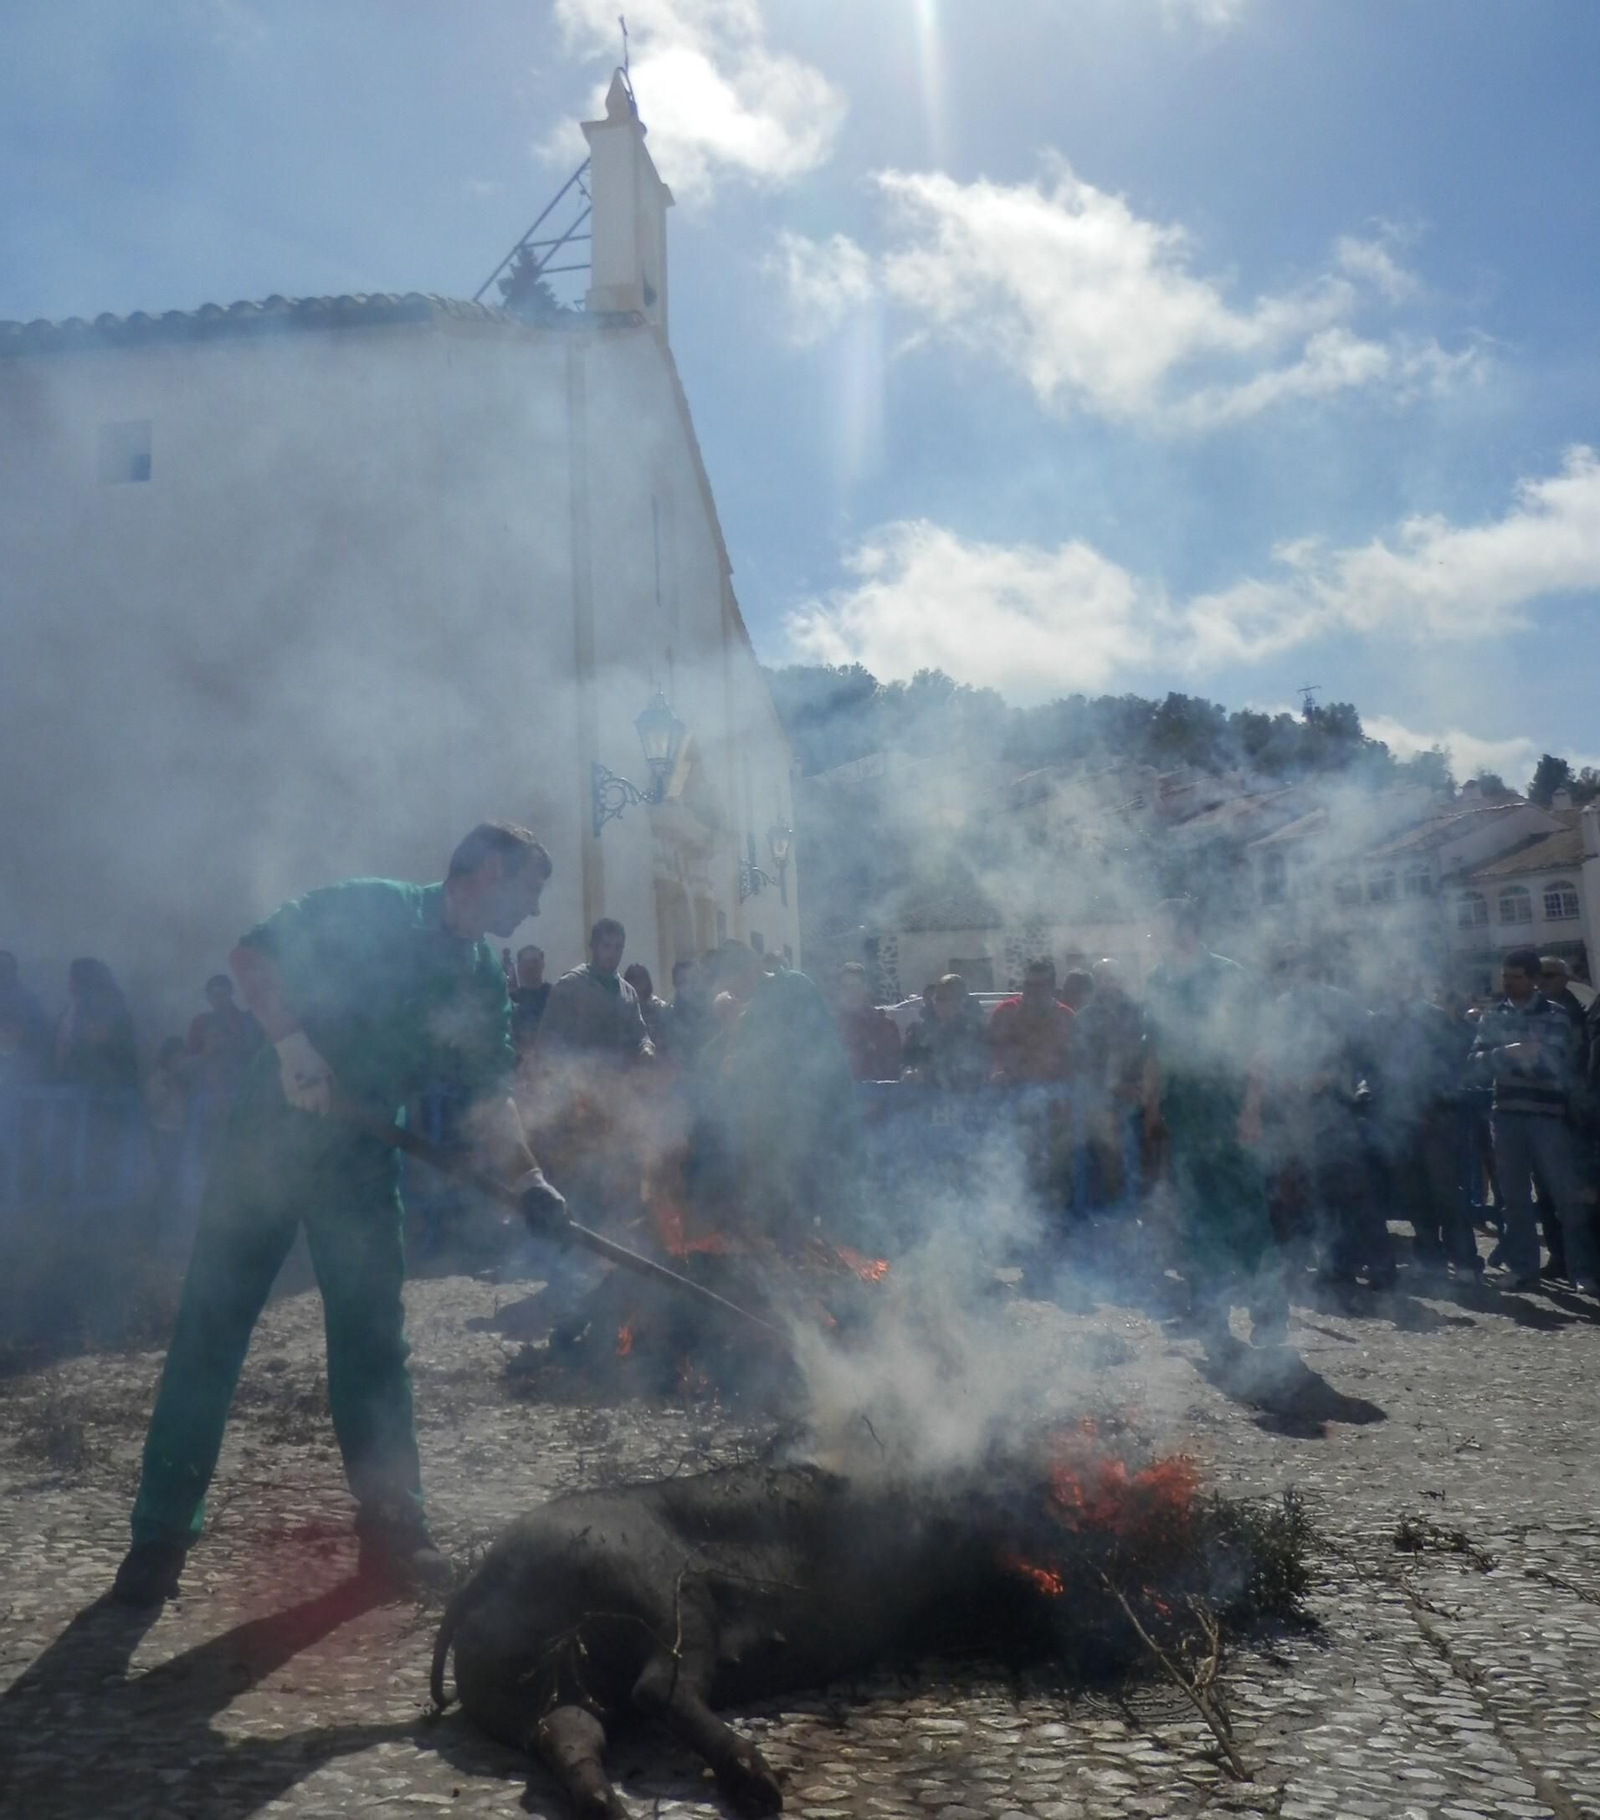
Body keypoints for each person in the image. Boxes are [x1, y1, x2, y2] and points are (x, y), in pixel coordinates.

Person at [111, 822, 565, 1607]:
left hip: (356, 1165)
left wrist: (531, 1182)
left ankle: (393, 1526)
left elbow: (493, 1100)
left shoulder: (483, 976)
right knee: (211, 1328)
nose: (532, 911)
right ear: (491, 871)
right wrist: (291, 1046)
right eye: (529, 890)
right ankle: (158, 1533)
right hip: (269, 1142)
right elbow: (253, 955)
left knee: (371, 1340)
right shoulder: (374, 907)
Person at [1142, 897, 1287, 1349]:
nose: (1157, 938)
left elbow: (1256, 1050)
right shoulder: (1160, 980)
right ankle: (1210, 1314)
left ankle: (1269, 1319)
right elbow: (1157, 1052)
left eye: (1162, 929)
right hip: (1183, 1114)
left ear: (1184, 929)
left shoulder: (1229, 976)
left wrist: (1251, 1109)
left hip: (1226, 1108)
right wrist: (1152, 1109)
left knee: (1248, 1218)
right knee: (1196, 1219)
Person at [1258, 944, 1391, 1289]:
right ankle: (1327, 1266)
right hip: (1294, 1112)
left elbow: (1364, 1053)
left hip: (1337, 1108)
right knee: (1307, 1194)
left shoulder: (1343, 1005)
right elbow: (1269, 1056)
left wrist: (1332, 1077)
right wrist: (1283, 1083)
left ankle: (1378, 1267)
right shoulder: (1280, 1007)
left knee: (1352, 1191)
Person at [1470, 946, 1595, 1292]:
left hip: (1548, 1119)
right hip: (1506, 1117)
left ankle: (1581, 1270)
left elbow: (1551, 1061)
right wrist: (1508, 1053)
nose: (1509, 983)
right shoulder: (1492, 1016)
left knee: (1564, 1196)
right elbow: (1476, 1064)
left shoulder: (1556, 1015)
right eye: (1505, 977)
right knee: (1513, 1199)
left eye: (1516, 977)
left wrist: (1506, 1059)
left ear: (1533, 979)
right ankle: (1524, 1268)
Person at [1369, 985, 1478, 1278]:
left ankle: (1465, 1261)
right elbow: (1374, 1068)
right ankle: (1430, 1258)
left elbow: (1455, 1063)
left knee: (1446, 1192)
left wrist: (1434, 1100)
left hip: (1437, 1115)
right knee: (1413, 1192)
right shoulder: (1380, 1021)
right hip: (1398, 1118)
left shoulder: (1436, 1019)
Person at [538, 919, 654, 1065]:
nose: (612, 953)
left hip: (618, 1080)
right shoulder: (570, 985)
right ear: (593, 946)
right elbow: (548, 1040)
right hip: (577, 1079)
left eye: (618, 947)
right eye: (606, 946)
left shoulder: (628, 993)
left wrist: (646, 1048)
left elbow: (640, 1034)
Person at [55, 958, 138, 1091]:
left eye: (73, 979)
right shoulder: (73, 1009)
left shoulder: (111, 1006)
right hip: (77, 1082)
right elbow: (61, 1044)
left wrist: (76, 1033)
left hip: (112, 1081)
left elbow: (98, 1038)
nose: (69, 983)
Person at [988, 959, 1075, 1084]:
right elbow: (989, 1050)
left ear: (1051, 986)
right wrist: (996, 1072)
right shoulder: (1005, 1012)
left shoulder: (1065, 1016)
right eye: (1028, 984)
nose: (1032, 991)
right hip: (1011, 1090)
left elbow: (1074, 1060)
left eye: (1039, 986)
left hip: (1053, 1090)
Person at [908, 974, 991, 1092]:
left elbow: (977, 1067)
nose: (938, 1004)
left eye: (944, 999)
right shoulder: (921, 1030)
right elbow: (908, 1058)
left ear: (961, 1000)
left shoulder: (975, 1031)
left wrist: (928, 1072)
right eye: (937, 999)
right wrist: (908, 1071)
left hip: (964, 1098)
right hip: (925, 1099)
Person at [145, 1036, 194, 1223]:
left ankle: (172, 1219)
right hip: (161, 1131)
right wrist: (167, 1086)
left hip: (179, 1132)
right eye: (176, 1059)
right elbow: (152, 1105)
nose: (179, 1063)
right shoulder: (158, 1079)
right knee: (164, 1177)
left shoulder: (185, 1080)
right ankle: (157, 1220)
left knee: (176, 1177)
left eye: (182, 1058)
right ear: (166, 1059)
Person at [186, 973, 264, 1082]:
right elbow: (187, 1065)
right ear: (208, 998)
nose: (220, 1000)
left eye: (223, 995)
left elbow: (260, 1051)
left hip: (251, 1080)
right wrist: (207, 1052)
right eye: (216, 996)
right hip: (214, 1088)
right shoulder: (200, 1024)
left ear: (231, 993)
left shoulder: (248, 1020)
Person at [834, 961, 903, 1082]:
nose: (851, 992)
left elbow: (893, 1070)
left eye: (855, 986)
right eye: (845, 987)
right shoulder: (833, 1028)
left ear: (865, 988)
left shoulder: (885, 1026)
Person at [658, 958, 717, 1068]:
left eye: (694, 980)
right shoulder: (667, 1016)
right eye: (684, 982)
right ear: (675, 984)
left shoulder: (714, 1010)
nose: (691, 986)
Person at [0, 950, 50, 1070]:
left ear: (14, 971)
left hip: (19, 1066)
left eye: (5, 969)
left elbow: (44, 1031)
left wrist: (22, 1032)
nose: (1, 973)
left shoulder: (28, 1001)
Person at [509, 944, 552, 1055]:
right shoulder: (510, 1000)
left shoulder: (555, 996)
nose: (531, 967)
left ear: (543, 964)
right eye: (525, 962)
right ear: (518, 967)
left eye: (535, 961)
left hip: (552, 1060)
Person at [623, 963, 671, 1053]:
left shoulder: (658, 1007)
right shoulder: (625, 1007)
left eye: (641, 977)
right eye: (633, 978)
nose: (637, 982)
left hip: (657, 1055)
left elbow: (669, 1035)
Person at [900, 980, 940, 1074]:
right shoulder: (916, 1031)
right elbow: (905, 1062)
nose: (931, 1003)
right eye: (927, 998)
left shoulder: (956, 1031)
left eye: (936, 999)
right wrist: (909, 1072)